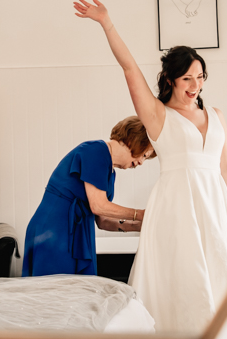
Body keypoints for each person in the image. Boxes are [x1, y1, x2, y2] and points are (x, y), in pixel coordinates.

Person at [74, 0, 227, 333]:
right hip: (176, 207)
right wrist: (107, 23)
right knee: (182, 280)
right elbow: (129, 69)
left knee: (221, 277)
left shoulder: (217, 116)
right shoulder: (157, 116)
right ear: (170, 80)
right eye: (187, 79)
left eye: (200, 77)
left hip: (216, 207)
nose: (195, 85)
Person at [22, 116, 155, 277]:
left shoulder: (109, 171)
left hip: (73, 233)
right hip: (54, 230)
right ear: (136, 140)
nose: (141, 162)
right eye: (144, 155)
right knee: (54, 293)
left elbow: (102, 220)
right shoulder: (96, 151)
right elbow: (98, 205)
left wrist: (142, 224)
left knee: (71, 295)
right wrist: (140, 214)